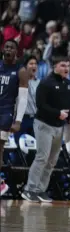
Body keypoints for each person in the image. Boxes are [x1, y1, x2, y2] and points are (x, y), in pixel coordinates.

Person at [21, 56, 70, 202]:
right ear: (55, 67)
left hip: (59, 127)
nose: (66, 68)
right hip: (44, 124)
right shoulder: (46, 83)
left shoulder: (69, 84)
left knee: (52, 160)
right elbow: (41, 105)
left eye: (68, 66)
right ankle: (29, 189)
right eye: (63, 65)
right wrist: (58, 113)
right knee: (42, 157)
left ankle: (40, 190)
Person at [0, 39, 29, 196]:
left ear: (16, 52)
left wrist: (18, 120)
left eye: (12, 47)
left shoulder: (21, 70)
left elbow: (23, 98)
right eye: (6, 47)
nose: (8, 49)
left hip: (5, 112)